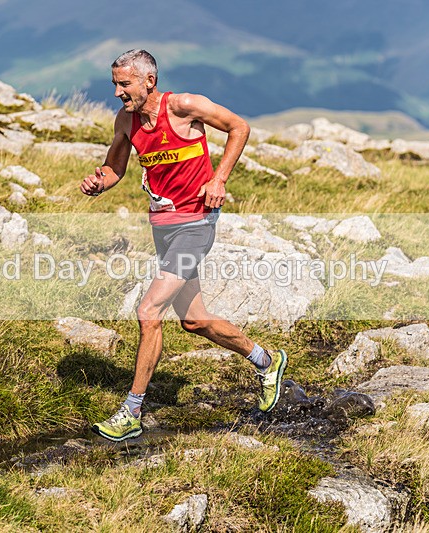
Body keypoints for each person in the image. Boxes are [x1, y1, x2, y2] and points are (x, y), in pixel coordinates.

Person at [80, 49, 287, 442]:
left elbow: (239, 127)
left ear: (149, 82)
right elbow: (115, 168)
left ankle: (131, 411)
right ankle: (267, 361)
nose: (119, 93)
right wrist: (98, 183)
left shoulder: (185, 107)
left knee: (149, 310)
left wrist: (219, 179)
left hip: (196, 224)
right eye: (115, 85)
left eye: (125, 85)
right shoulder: (126, 121)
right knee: (193, 320)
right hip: (164, 227)